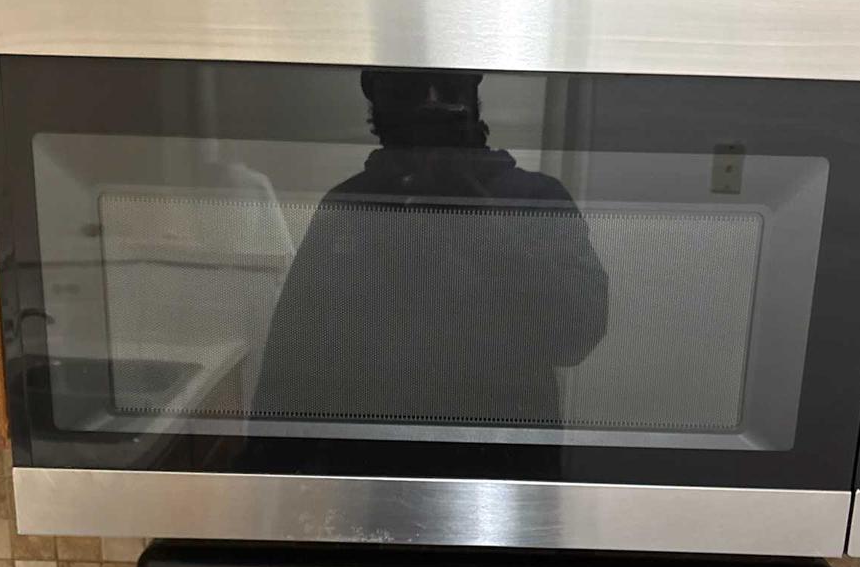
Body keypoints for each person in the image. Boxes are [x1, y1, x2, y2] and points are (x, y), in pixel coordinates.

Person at [256, 68, 608, 429]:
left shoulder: (535, 198)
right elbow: (294, 354)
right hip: (376, 445)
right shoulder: (351, 204)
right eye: (407, 90)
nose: (431, 104)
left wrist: (486, 221)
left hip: (503, 446)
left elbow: (575, 336)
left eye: (449, 88)